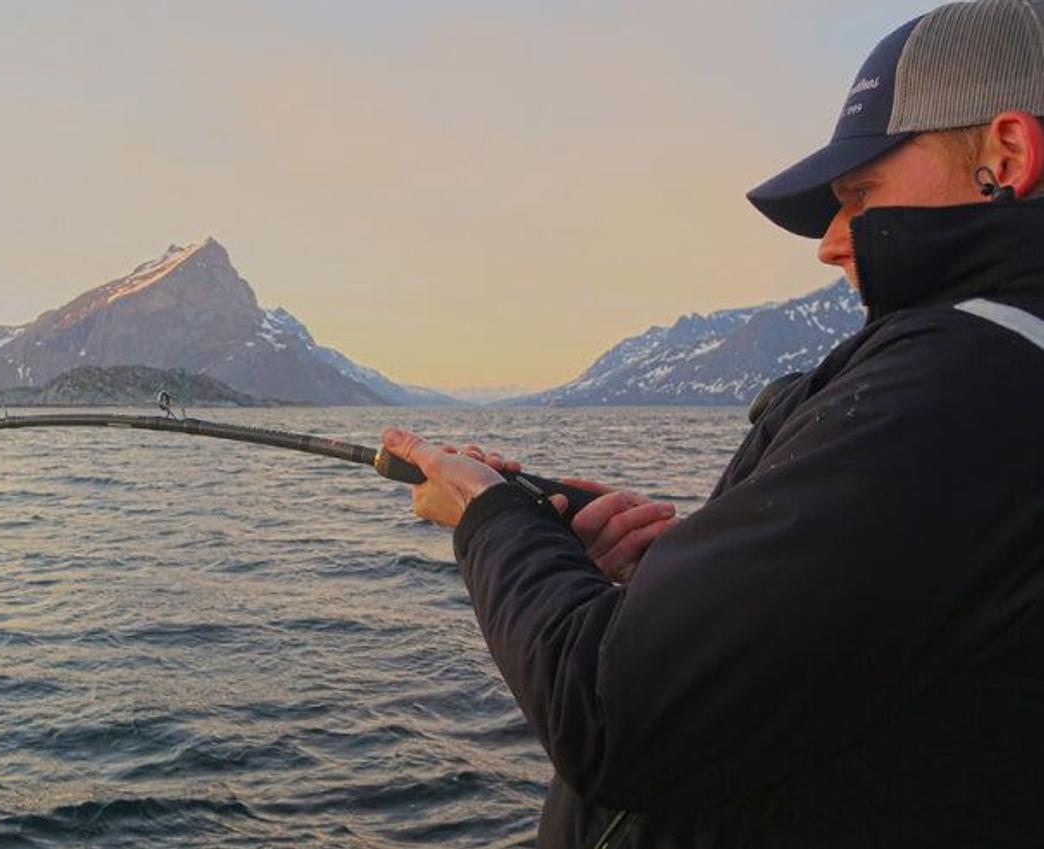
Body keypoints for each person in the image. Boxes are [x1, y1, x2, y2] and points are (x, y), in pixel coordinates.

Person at [381, 2, 1044, 846]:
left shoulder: (968, 376)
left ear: (1008, 155)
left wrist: (488, 515)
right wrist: (694, 577)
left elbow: (612, 712)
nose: (831, 242)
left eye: (860, 193)